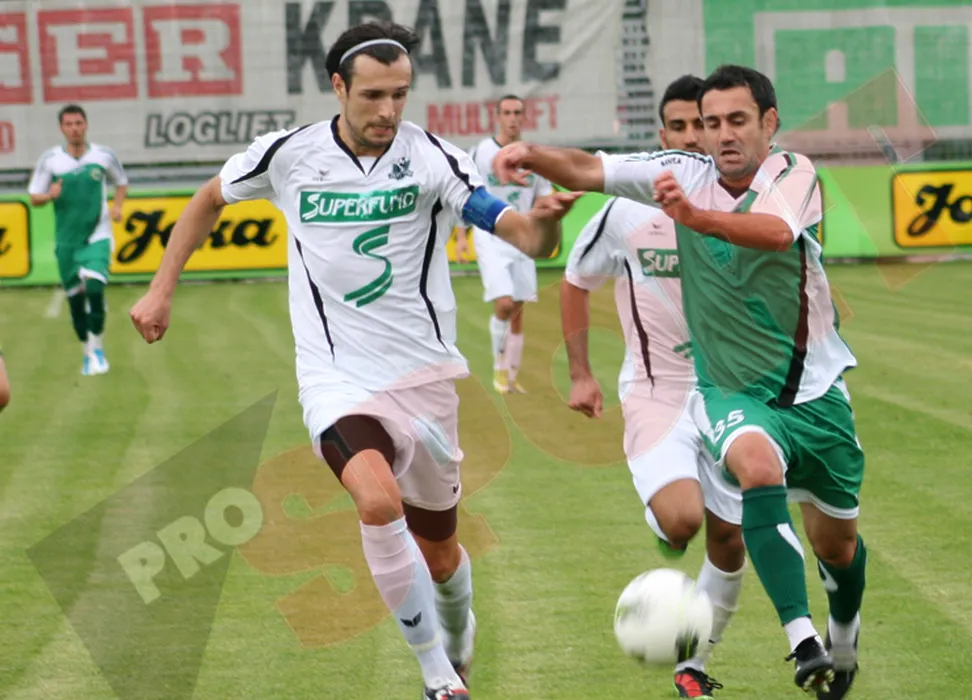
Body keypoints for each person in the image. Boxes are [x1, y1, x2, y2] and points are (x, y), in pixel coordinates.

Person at [129, 22, 579, 700]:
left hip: (424, 379)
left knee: (442, 554)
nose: (388, 110)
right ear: (338, 87)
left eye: (400, 94)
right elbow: (209, 199)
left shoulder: (434, 158)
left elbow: (519, 234)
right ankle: (436, 675)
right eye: (373, 95)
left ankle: (458, 634)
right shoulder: (288, 154)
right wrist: (162, 288)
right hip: (336, 378)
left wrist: (545, 223)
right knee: (376, 500)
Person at [494, 64, 865, 698]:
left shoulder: (792, 173)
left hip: (813, 390)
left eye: (734, 121)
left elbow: (776, 233)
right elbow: (587, 169)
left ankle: (844, 637)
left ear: (769, 123)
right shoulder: (677, 176)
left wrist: (693, 217)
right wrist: (530, 153)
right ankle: (799, 641)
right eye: (709, 122)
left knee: (838, 547)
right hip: (722, 390)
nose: (718, 135)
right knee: (742, 483)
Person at [561, 75, 745, 699]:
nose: (693, 137)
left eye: (704, 124)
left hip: (729, 392)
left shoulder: (744, 202)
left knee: (731, 539)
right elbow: (576, 280)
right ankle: (666, 526)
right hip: (655, 390)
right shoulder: (626, 210)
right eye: (681, 126)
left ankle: (693, 665)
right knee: (684, 520)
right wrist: (581, 373)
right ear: (662, 134)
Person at [455, 95, 553, 394]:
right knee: (504, 303)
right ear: (497, 117)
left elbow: (544, 196)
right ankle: (499, 367)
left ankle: (511, 375)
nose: (512, 118)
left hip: (523, 237)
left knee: (519, 310)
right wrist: (461, 236)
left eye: (517, 113)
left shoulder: (534, 157)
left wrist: (546, 223)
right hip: (491, 235)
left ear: (524, 117)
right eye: (507, 113)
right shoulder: (481, 152)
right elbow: (463, 192)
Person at [29, 104, 127, 376]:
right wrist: (50, 195)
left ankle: (98, 348)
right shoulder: (51, 160)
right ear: (62, 128)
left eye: (78, 123)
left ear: (86, 125)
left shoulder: (103, 156)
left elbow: (120, 181)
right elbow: (34, 197)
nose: (75, 128)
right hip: (67, 241)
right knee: (75, 301)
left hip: (97, 234)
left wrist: (118, 206)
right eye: (69, 124)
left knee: (94, 289)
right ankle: (87, 351)